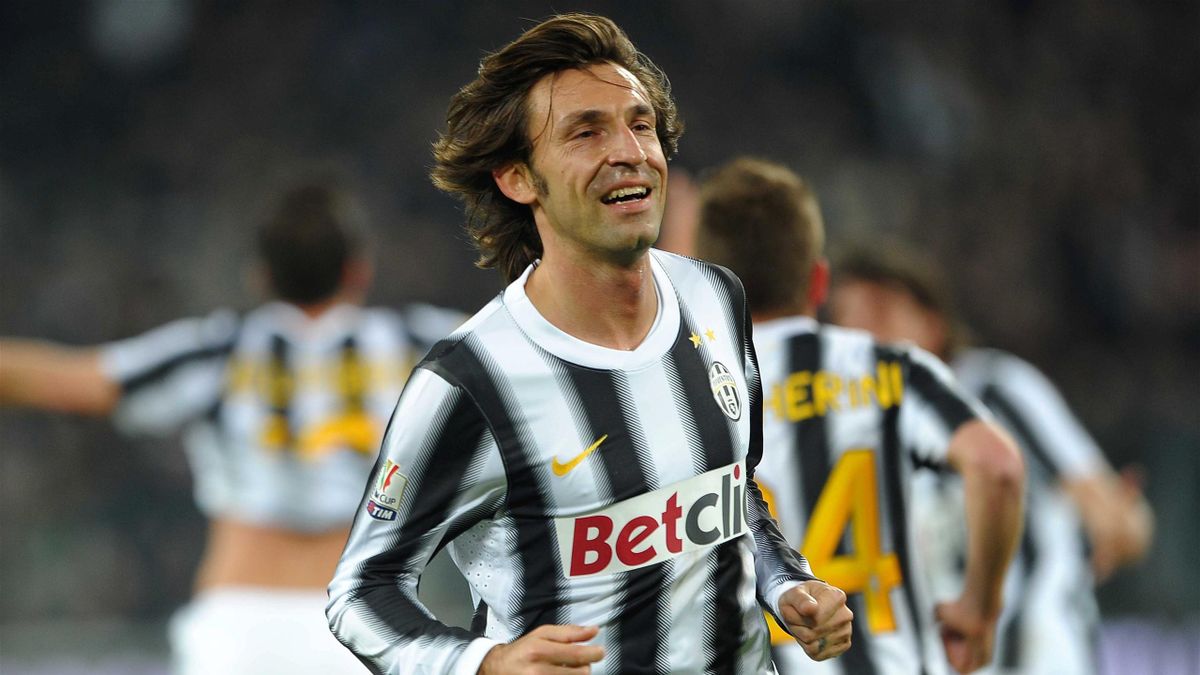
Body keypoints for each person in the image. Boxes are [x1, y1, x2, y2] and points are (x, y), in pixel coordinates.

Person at [325, 14, 853, 675]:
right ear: (518, 178)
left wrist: (788, 583)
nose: (629, 150)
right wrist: (483, 663)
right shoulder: (472, 379)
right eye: (586, 132)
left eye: (641, 124)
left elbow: (735, 492)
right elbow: (362, 588)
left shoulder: (717, 298)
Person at [0, 183, 464, 674]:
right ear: (358, 270)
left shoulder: (217, 350)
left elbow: (72, 381)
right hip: (363, 617)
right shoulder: (420, 343)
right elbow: (518, 346)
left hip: (240, 620)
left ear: (261, 276)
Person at [690, 157, 1025, 675]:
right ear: (818, 281)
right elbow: (996, 466)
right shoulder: (888, 369)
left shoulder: (683, 399)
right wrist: (978, 611)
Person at [827, 243, 1154, 675]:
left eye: (880, 311)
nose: (862, 333)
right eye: (845, 318)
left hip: (1037, 655)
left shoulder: (995, 389)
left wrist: (1119, 521)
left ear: (932, 323)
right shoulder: (843, 432)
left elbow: (1112, 512)